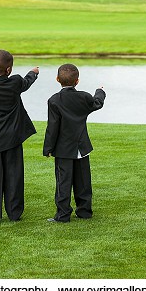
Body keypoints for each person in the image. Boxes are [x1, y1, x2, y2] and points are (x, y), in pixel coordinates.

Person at [0, 49, 39, 222]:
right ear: (9, 69)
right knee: (15, 176)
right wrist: (33, 73)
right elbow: (26, 82)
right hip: (14, 139)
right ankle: (14, 213)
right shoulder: (15, 82)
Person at [43, 63, 105, 223]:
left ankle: (63, 215)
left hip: (63, 149)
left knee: (63, 181)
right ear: (77, 81)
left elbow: (53, 127)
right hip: (82, 146)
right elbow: (97, 103)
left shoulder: (54, 100)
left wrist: (48, 148)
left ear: (57, 79)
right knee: (84, 180)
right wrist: (100, 92)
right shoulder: (84, 97)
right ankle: (84, 211)